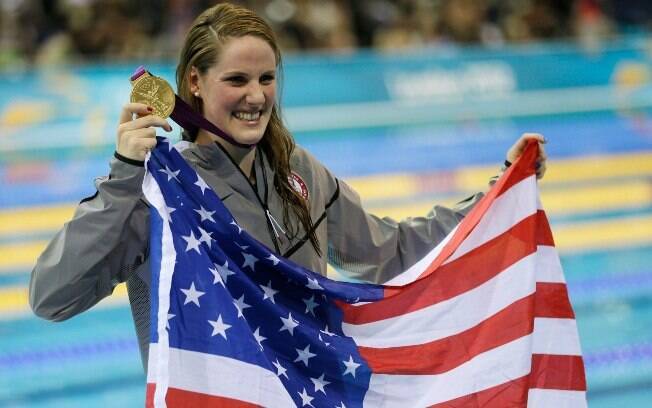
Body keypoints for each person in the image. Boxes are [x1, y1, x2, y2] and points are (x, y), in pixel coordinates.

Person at [29, 2, 547, 371]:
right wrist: (124, 175)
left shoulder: (296, 169)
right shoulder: (160, 193)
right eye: (236, 80)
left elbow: (389, 251)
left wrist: (498, 193)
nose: (255, 97)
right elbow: (52, 297)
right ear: (194, 82)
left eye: (266, 79)